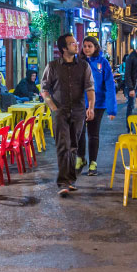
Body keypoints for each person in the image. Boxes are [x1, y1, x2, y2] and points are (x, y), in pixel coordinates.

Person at [42, 33, 95, 197]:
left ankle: (70, 180)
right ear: (64, 48)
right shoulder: (52, 66)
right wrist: (52, 107)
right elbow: (44, 90)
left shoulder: (84, 66)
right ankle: (63, 182)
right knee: (63, 145)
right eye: (72, 43)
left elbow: (90, 88)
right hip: (60, 111)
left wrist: (91, 107)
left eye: (75, 42)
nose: (76, 45)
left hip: (78, 112)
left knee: (73, 146)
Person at [77, 35, 116, 176]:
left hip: (98, 105)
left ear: (95, 47)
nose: (87, 49)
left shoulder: (103, 63)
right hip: (80, 104)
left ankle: (93, 162)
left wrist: (112, 109)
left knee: (93, 134)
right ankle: (80, 158)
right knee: (79, 133)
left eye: (90, 46)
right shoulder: (77, 62)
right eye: (85, 46)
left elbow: (110, 85)